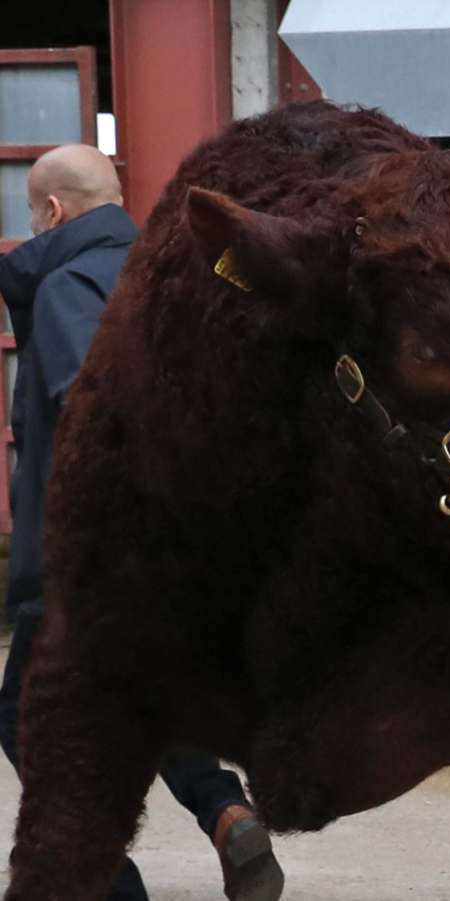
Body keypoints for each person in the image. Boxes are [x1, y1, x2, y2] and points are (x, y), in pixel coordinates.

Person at [0, 145, 285, 901]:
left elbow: (81, 406)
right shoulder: (173, 273)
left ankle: (107, 881)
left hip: (88, 551)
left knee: (25, 716)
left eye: (32, 213)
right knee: (147, 693)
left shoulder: (67, 284)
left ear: (52, 211)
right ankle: (226, 811)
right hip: (178, 540)